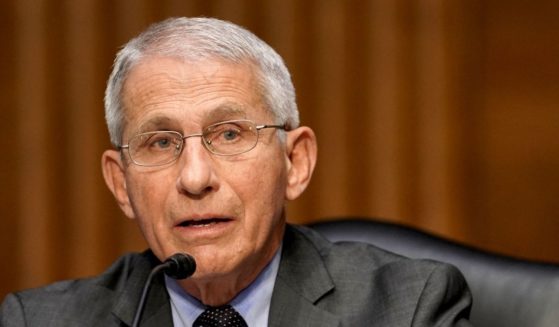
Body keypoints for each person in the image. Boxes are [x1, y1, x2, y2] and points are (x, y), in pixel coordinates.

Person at [0, 17, 473, 326]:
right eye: (161, 142)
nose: (195, 177)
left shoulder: (408, 308)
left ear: (296, 162)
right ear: (121, 184)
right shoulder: (39, 321)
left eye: (229, 135)